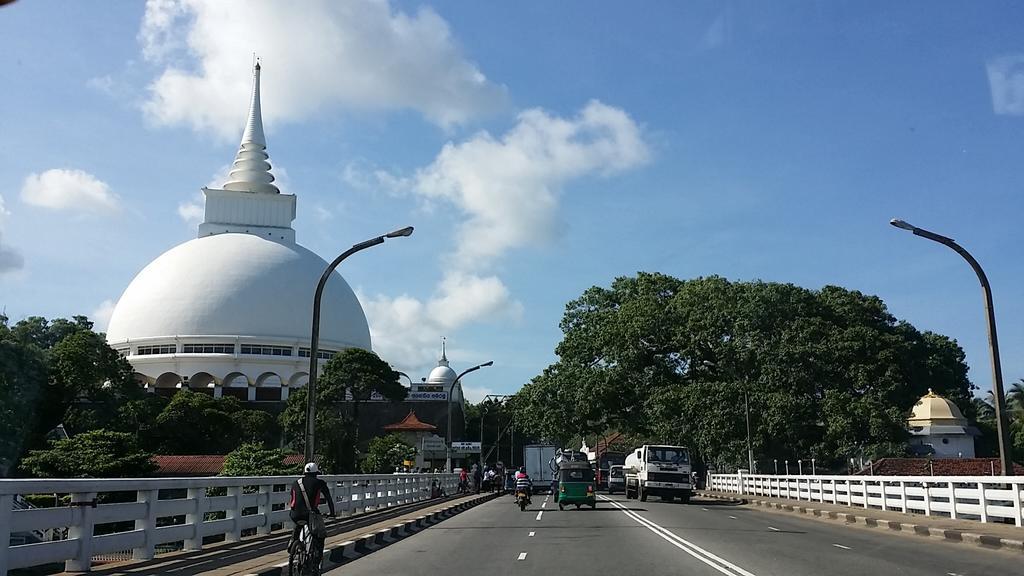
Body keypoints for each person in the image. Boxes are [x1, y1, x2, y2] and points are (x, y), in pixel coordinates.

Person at [289, 463, 336, 564]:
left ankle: (293, 541)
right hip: (311, 514)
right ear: (316, 473)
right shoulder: (319, 483)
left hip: (294, 514)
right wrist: (332, 513)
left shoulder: (295, 483)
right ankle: (316, 562)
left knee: (299, 524)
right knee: (320, 535)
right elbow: (329, 499)